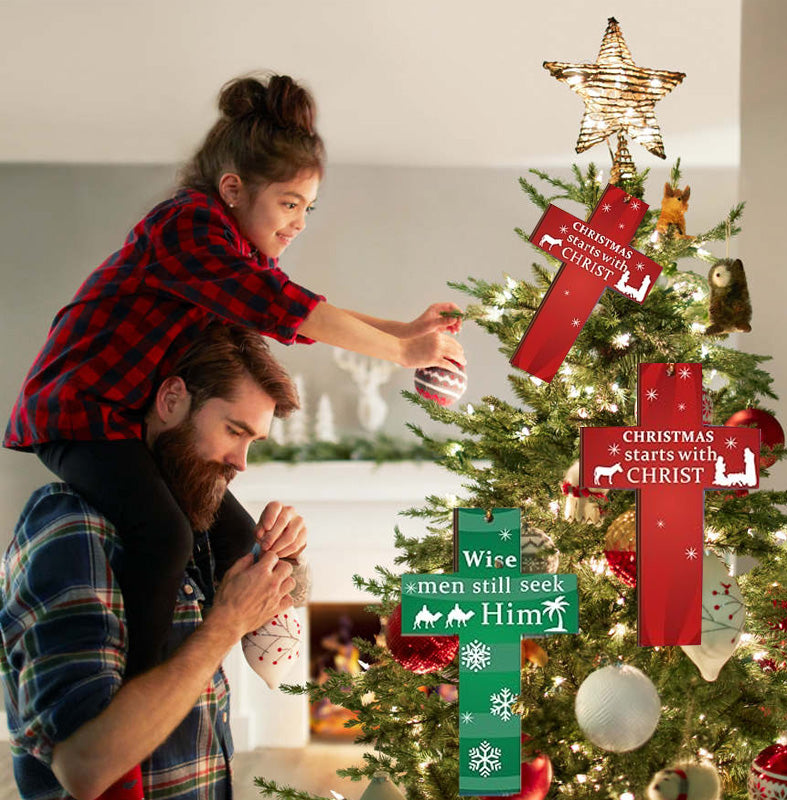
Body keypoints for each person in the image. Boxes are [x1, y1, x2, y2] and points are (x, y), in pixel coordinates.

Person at [3, 72, 465, 678]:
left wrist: (402, 332)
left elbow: (291, 304)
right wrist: (401, 353)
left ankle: (263, 641)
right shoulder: (186, 228)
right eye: (289, 203)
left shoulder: (234, 254)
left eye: (308, 208)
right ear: (232, 189)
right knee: (165, 536)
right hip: (77, 413)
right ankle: (138, 689)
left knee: (242, 540)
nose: (300, 222)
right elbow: (286, 309)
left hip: (129, 422)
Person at [0, 322, 307, 800]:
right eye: (233, 430)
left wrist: (287, 556)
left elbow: (282, 605)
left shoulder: (196, 512)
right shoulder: (70, 527)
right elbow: (85, 769)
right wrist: (224, 625)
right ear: (171, 400)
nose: (242, 462)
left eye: (253, 442)